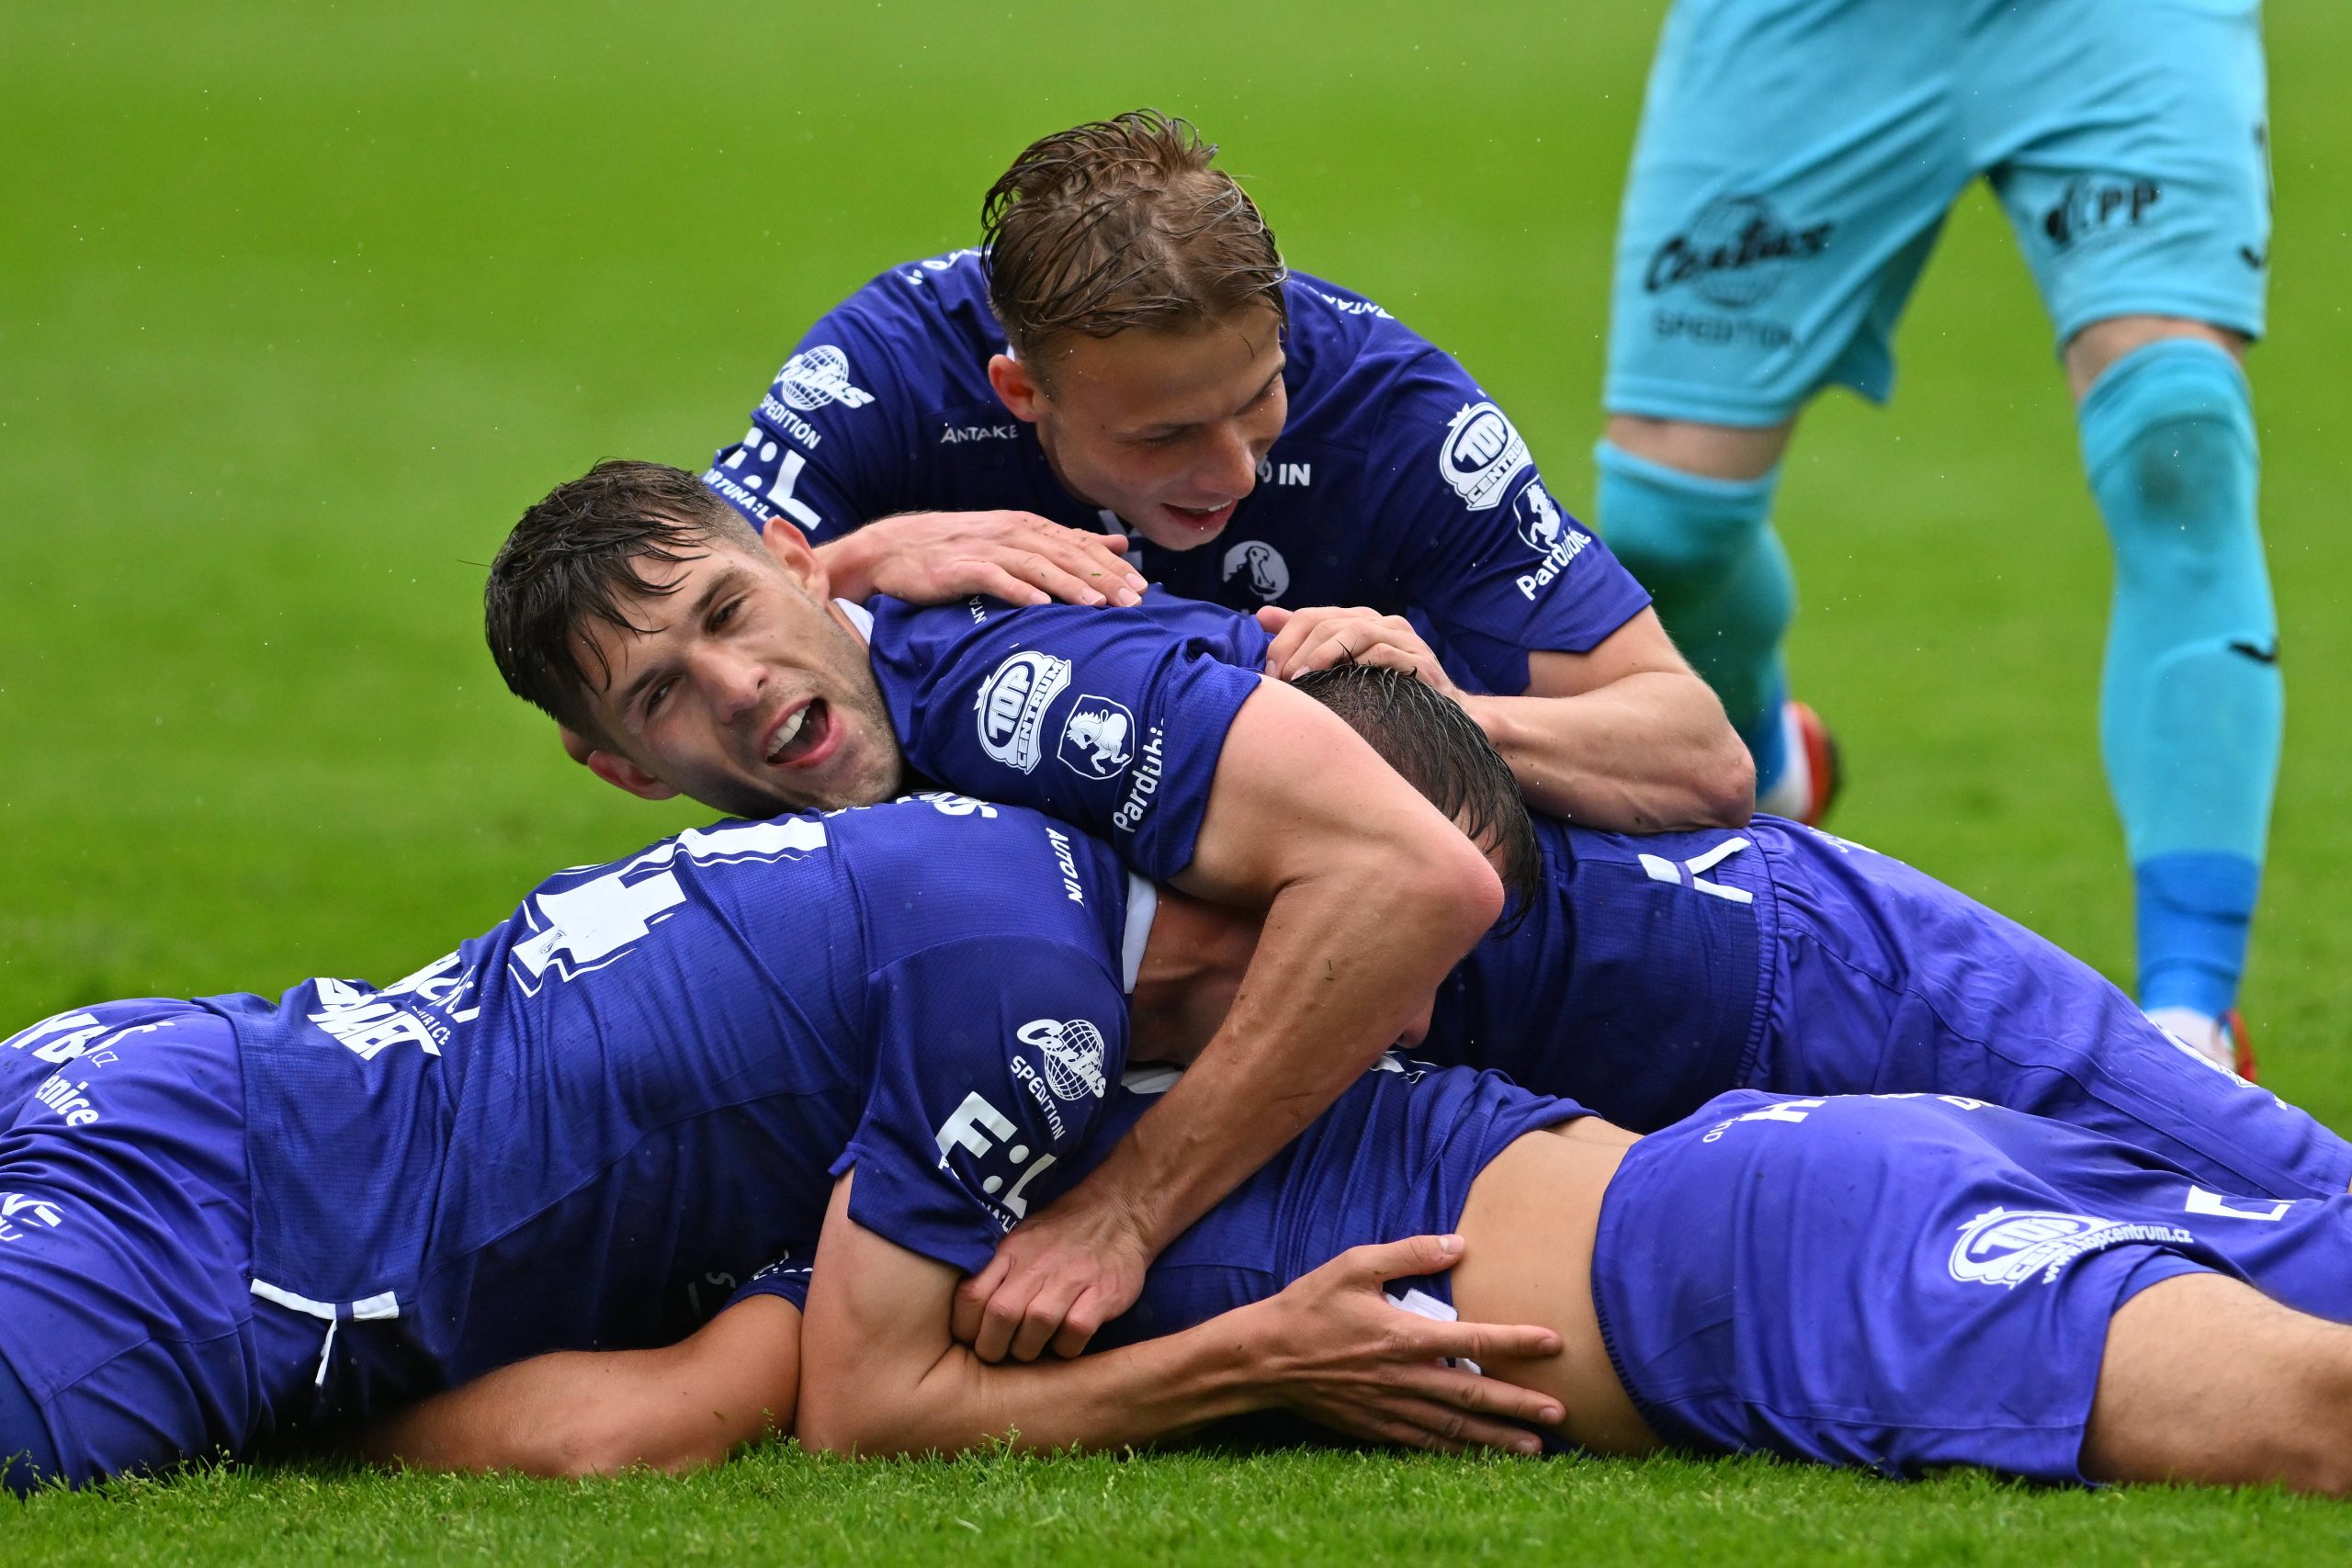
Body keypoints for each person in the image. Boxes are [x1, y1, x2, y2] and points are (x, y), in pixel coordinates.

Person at [487, 466, 2344, 1381]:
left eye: (735, 609)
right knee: (2156, 1300)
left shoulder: (1009, 686)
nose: (731, 685)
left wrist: (1123, 1218)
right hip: (1643, 1128)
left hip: (1779, 971)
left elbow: (1418, 881)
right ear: (617, 764)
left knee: (2293, 1227)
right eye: (666, 688)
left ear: (798, 562)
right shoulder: (812, 854)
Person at [0, 794, 1555, 1492]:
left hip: (171, 1058)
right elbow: (847, 1414)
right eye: (1417, 955)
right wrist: (1258, 1356)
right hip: (215, 1238)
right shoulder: (1034, 1014)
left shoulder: (980, 850)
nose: (1413, 1029)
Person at [697, 109, 1752, 834]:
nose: (1230, 469)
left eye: (1258, 399)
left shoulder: (1390, 412)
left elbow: (1698, 760)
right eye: (1160, 438)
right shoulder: (888, 371)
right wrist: (857, 561)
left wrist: (1430, 716)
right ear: (1021, 395)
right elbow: (603, 673)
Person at [1593, 0, 2278, 1068]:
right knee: (1665, 522)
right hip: (1811, 26)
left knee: (2174, 438)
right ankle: (1763, 760)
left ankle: (2191, 1019)